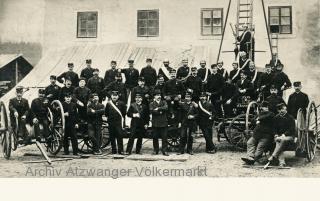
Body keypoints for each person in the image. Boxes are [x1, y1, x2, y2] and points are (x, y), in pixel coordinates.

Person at [149, 89, 169, 156]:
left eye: (159, 95)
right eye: (157, 95)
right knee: (155, 137)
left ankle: (164, 150)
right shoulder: (151, 103)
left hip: (163, 122)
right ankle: (155, 150)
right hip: (155, 123)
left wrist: (158, 109)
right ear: (154, 96)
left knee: (164, 137)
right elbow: (152, 111)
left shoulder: (164, 102)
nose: (159, 96)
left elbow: (166, 108)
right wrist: (160, 111)